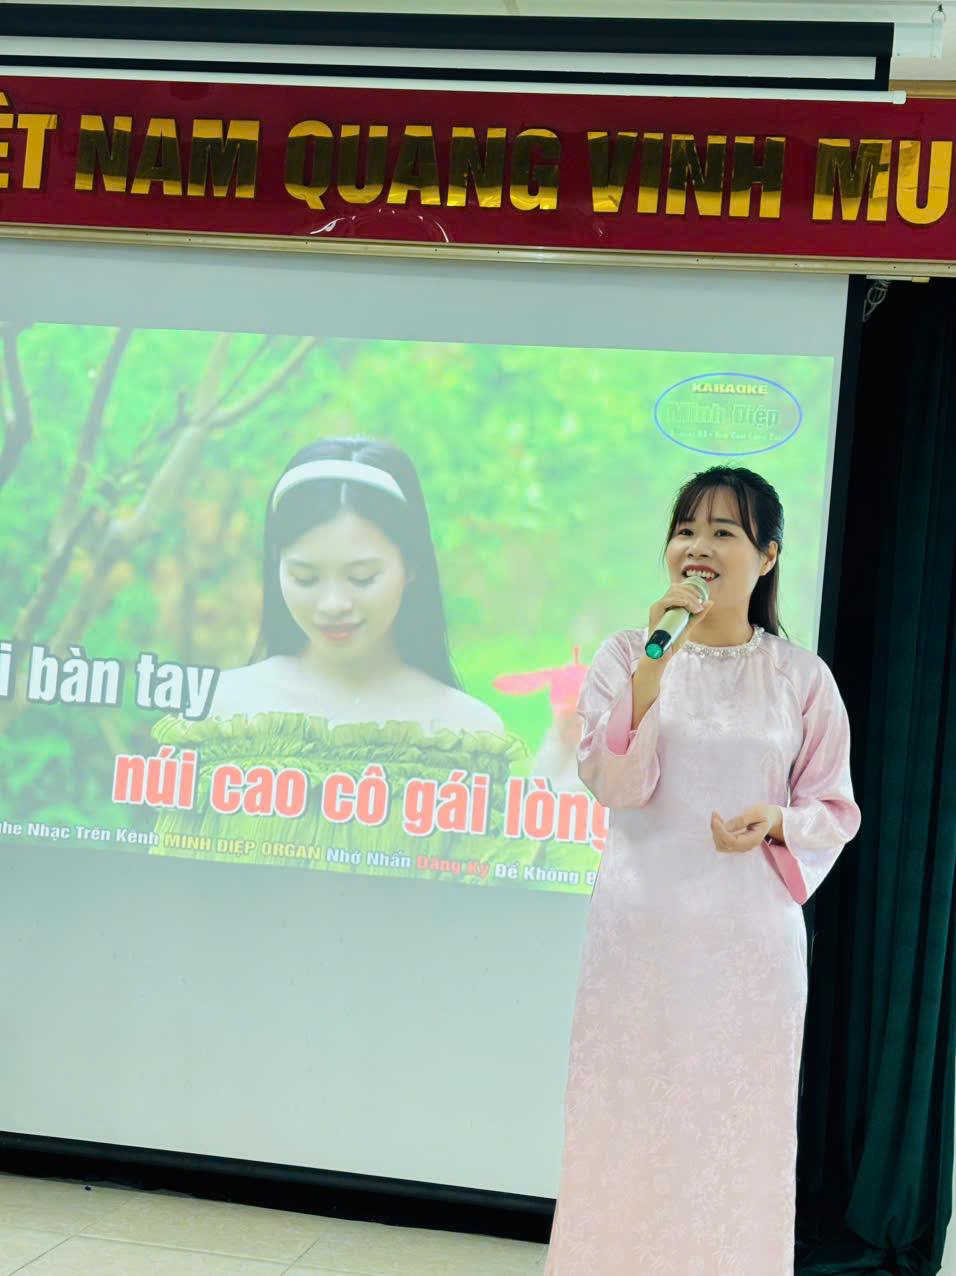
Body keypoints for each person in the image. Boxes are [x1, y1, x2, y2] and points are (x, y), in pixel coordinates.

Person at [544, 465, 862, 1274]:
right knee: (625, 1123)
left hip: (748, 946)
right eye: (686, 531)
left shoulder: (801, 677)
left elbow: (835, 808)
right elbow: (616, 783)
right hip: (640, 933)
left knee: (734, 1132)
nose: (699, 547)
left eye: (724, 532)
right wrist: (655, 668)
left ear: (768, 556)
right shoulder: (627, 654)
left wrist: (778, 821)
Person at [150, 437, 525, 877]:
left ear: (412, 566)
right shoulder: (218, 714)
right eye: (305, 577)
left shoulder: (466, 736)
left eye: (362, 578)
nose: (333, 604)